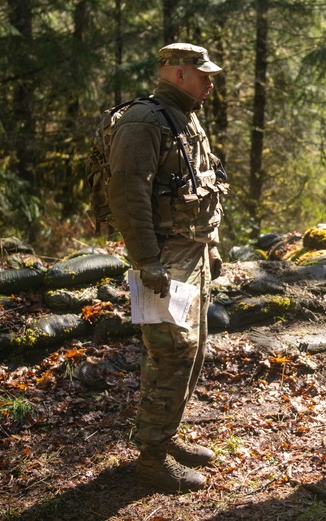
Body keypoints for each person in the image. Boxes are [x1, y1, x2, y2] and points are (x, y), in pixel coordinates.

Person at [107, 43, 227, 493]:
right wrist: (146, 261)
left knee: (191, 353)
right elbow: (128, 195)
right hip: (162, 259)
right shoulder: (143, 121)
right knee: (170, 354)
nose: (210, 83)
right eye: (204, 75)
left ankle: (167, 435)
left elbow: (204, 184)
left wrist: (211, 245)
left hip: (190, 254)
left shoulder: (187, 116)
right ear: (179, 74)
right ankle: (151, 459)